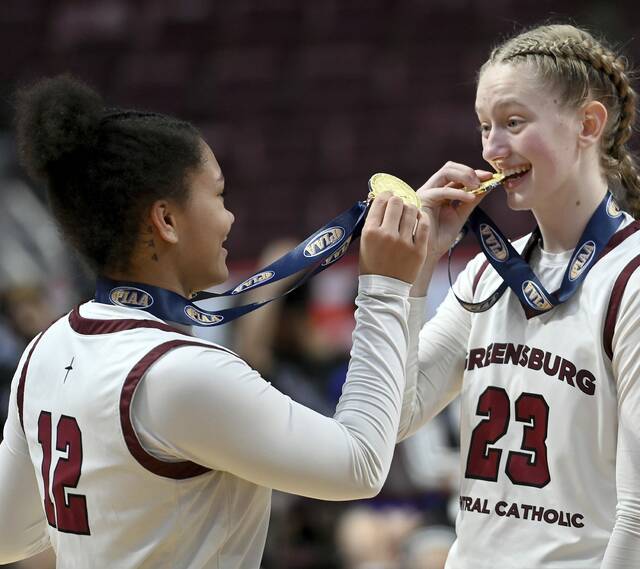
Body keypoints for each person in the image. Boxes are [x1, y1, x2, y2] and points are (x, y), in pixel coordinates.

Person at [0, 75, 429, 568]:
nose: (229, 219)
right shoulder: (181, 372)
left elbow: (8, 534)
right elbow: (360, 467)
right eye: (219, 195)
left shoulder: (43, 350)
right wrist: (385, 288)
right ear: (166, 219)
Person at [399, 24, 640, 568]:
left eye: (513, 122)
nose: (491, 148)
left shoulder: (631, 280)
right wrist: (413, 272)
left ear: (588, 124)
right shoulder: (486, 274)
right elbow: (392, 417)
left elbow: (638, 514)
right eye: (484, 126)